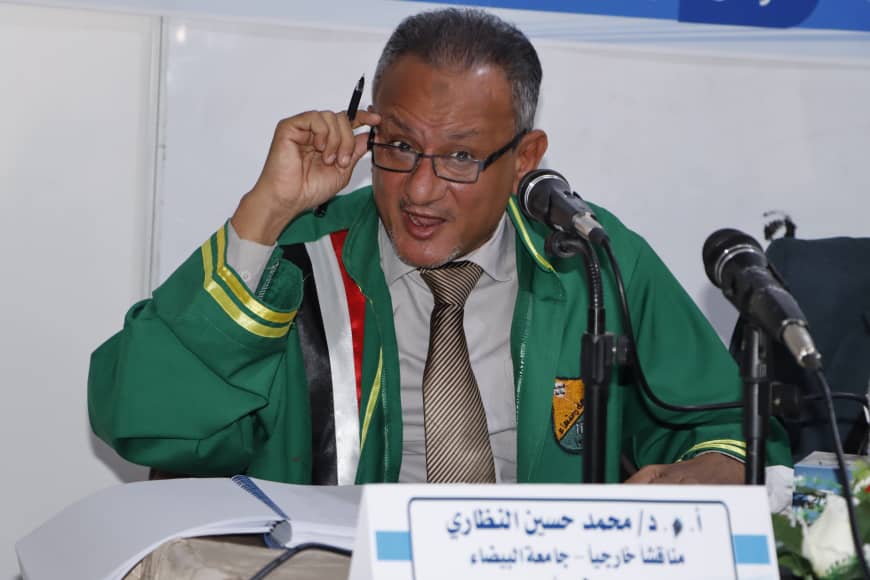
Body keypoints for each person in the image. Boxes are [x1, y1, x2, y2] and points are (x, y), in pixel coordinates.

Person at [89, 8, 790, 486]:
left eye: (460, 157)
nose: (420, 191)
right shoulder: (297, 259)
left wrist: (715, 470)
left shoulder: (589, 261)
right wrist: (264, 213)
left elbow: (728, 426)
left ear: (525, 158)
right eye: (398, 146)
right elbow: (141, 423)